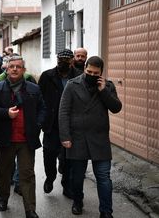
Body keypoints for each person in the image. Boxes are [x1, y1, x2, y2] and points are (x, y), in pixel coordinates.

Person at [59, 56, 122, 218]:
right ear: (85, 68)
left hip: (99, 139)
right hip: (77, 137)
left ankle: (106, 212)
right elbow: (64, 111)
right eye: (89, 71)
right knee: (77, 177)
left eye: (96, 72)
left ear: (101, 72)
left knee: (104, 177)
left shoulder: (107, 86)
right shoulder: (72, 85)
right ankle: (78, 201)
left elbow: (116, 108)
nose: (92, 74)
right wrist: (65, 136)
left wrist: (103, 91)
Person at [0, 56, 45, 218]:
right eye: (11, 66)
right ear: (7, 69)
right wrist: (6, 113)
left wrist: (37, 125)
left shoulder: (33, 89)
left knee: (27, 174)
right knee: (4, 172)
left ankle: (30, 209)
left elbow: (43, 109)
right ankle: (3, 198)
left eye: (18, 67)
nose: (14, 69)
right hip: (5, 139)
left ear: (24, 70)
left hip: (26, 140)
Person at [38, 49, 82, 198]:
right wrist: (41, 120)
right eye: (60, 60)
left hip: (71, 125)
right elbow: (39, 99)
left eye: (66, 60)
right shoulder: (46, 76)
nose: (62, 63)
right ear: (57, 60)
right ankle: (50, 177)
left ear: (71, 61)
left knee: (68, 158)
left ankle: (66, 185)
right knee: (49, 155)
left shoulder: (79, 76)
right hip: (52, 124)